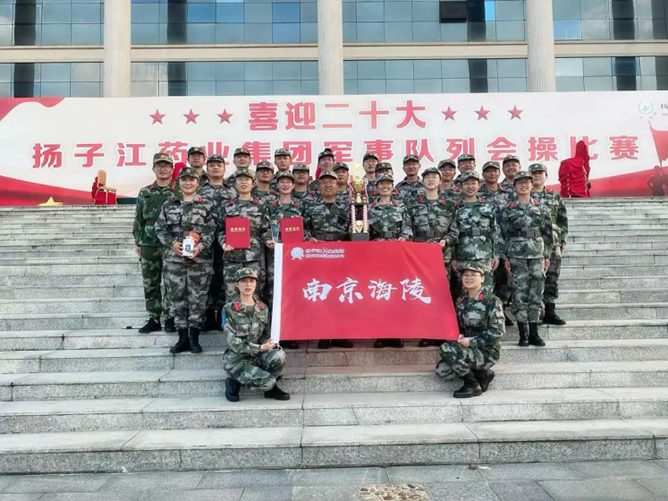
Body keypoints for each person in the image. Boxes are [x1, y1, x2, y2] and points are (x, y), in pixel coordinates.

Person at [155, 166, 217, 354]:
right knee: (177, 299)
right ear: (178, 183)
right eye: (184, 180)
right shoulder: (169, 205)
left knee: (198, 299)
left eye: (192, 179)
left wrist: (201, 247)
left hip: (200, 261)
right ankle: (182, 337)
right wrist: (172, 244)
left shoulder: (206, 205)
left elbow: (211, 230)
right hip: (174, 260)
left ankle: (194, 337)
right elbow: (160, 229)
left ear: (198, 183)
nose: (188, 183)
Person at [501, 171, 553, 347]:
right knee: (519, 293)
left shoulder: (541, 207)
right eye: (520, 183)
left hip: (537, 254)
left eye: (526, 182)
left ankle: (534, 332)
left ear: (532, 185)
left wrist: (547, 255)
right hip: (516, 255)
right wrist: (505, 257)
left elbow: (548, 233)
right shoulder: (509, 209)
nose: (523, 185)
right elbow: (503, 234)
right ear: (514, 186)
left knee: (536, 292)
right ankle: (523, 333)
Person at [436, 263, 504, 398]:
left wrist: (470, 341)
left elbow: (497, 333)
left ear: (482, 278)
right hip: (467, 347)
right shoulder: (461, 301)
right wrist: (458, 336)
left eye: (473, 275)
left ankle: (472, 385)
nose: (468, 278)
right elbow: (458, 326)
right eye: (465, 275)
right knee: (443, 371)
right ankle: (482, 374)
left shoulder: (492, 301)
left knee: (445, 349)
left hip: (487, 351)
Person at [223, 267, 290, 403]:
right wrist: (259, 348)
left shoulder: (262, 308)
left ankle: (265, 386)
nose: (248, 285)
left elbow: (265, 334)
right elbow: (232, 342)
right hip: (237, 360)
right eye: (244, 281)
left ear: (255, 284)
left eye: (251, 281)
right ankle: (234, 382)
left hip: (257, 357)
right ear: (237, 284)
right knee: (269, 382)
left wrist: (269, 343)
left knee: (279, 356)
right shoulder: (229, 309)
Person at [303, 170, 353, 350]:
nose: (328, 185)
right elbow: (304, 228)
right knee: (323, 296)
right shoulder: (311, 207)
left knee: (342, 294)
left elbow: (356, 228)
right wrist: (309, 238)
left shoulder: (347, 208)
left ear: (337, 185)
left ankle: (341, 334)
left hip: (342, 255)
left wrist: (348, 240)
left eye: (331, 182)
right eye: (324, 182)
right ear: (319, 186)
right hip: (320, 255)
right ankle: (324, 334)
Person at [410, 167, 458, 347]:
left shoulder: (449, 205)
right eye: (427, 177)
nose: (430, 180)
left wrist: (447, 240)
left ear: (440, 181)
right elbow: (408, 228)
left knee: (442, 294)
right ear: (422, 181)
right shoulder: (415, 205)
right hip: (420, 257)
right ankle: (426, 331)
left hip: (442, 255)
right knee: (423, 293)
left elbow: (455, 230)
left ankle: (441, 331)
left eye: (434, 177)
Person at [133, 152, 178, 334]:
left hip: (170, 242)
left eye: (166, 166)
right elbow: (138, 218)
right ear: (153, 168)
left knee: (171, 282)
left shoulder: (178, 191)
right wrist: (138, 241)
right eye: (159, 165)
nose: (163, 169)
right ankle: (154, 318)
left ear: (172, 169)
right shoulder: (145, 192)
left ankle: (170, 317)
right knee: (150, 283)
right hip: (148, 242)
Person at [367, 173, 413, 349]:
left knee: (395, 294)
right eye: (381, 184)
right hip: (376, 254)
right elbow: (363, 232)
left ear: (393, 187)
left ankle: (396, 333)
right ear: (376, 187)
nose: (385, 187)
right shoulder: (370, 209)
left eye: (388, 184)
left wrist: (403, 239)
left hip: (396, 253)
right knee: (379, 294)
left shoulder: (400, 207)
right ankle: (381, 333)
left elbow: (407, 229)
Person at [265, 171, 304, 350]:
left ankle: (292, 333)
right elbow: (264, 228)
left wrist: (306, 239)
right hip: (275, 256)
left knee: (293, 293)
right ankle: (276, 334)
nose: (286, 185)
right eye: (282, 182)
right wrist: (268, 239)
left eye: (289, 182)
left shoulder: (300, 206)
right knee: (274, 294)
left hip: (295, 257)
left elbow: (307, 228)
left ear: (293, 185)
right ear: (277, 185)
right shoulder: (270, 206)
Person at [219, 168, 270, 304]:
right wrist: (224, 242)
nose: (243, 182)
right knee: (232, 296)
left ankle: (255, 319)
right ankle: (232, 319)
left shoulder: (261, 206)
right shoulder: (227, 206)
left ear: (253, 183)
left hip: (254, 258)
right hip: (232, 258)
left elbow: (266, 229)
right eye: (240, 179)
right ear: (235, 183)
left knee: (255, 295)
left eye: (247, 179)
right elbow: (220, 230)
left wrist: (268, 240)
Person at [198, 154, 237, 332]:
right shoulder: (200, 190)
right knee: (207, 277)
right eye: (212, 165)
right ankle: (207, 316)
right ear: (207, 169)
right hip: (205, 241)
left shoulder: (232, 191)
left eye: (219, 165)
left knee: (223, 277)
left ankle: (222, 314)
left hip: (227, 240)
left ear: (224, 169)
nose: (215, 168)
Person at [451, 171, 502, 294]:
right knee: (465, 291)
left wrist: (496, 255)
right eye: (466, 184)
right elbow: (452, 233)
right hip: (463, 256)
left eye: (473, 183)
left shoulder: (488, 206)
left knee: (486, 290)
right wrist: (453, 257)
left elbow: (495, 231)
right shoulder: (456, 207)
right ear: (461, 186)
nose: (470, 187)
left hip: (485, 255)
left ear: (479, 185)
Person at [530, 163, 568, 326]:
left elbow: (562, 219)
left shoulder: (554, 196)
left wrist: (562, 239)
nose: (537, 176)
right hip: (533, 243)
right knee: (536, 277)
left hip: (553, 242)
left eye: (540, 173)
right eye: (534, 173)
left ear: (546, 176)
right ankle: (537, 311)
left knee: (552, 275)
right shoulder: (524, 196)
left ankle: (550, 309)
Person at [481, 161, 514, 326]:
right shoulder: (478, 194)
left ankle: (501, 309)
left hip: (506, 240)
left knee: (504, 278)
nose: (492, 174)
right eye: (488, 171)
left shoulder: (508, 194)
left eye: (494, 171)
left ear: (499, 173)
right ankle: (487, 312)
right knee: (488, 278)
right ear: (483, 174)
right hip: (485, 241)